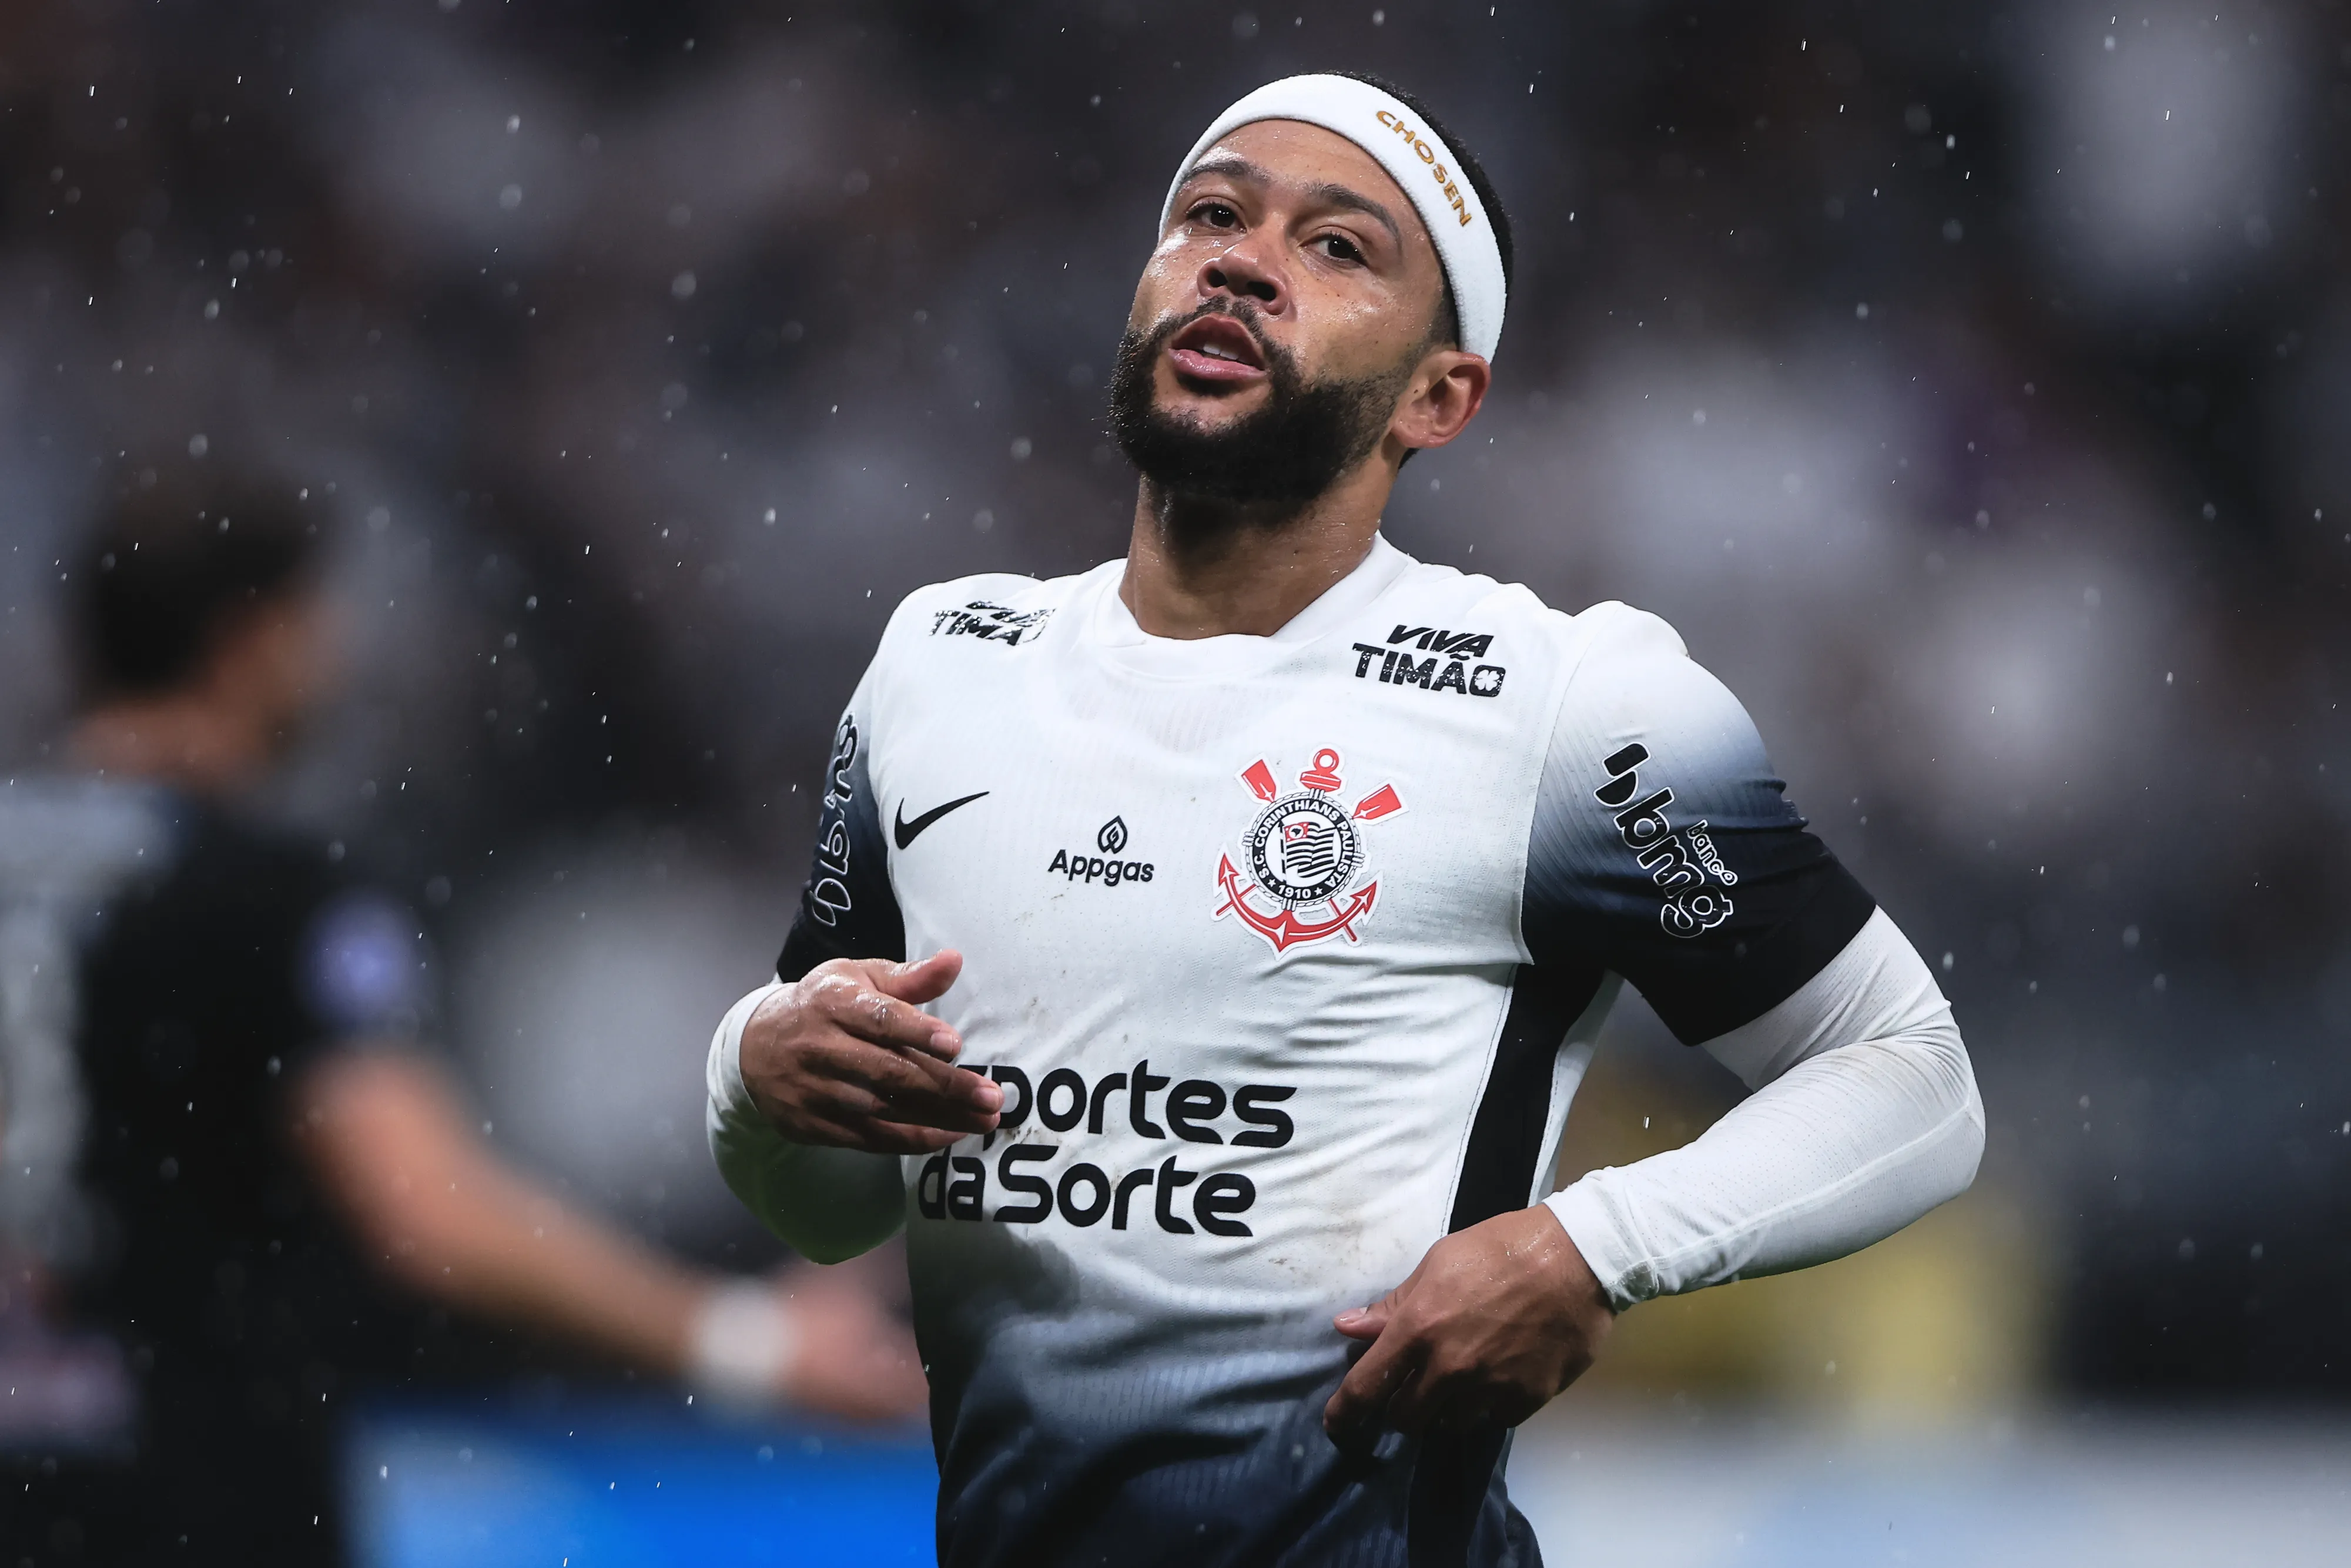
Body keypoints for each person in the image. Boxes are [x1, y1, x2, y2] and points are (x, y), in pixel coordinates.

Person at [706, 71, 1984, 1567]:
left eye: (1338, 248)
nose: (1243, 257)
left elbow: (1911, 1079)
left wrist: (1590, 1248)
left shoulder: (1566, 705)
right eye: (1211, 213)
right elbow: (831, 1204)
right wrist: (752, 1069)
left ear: (1439, 397)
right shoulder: (940, 661)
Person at [8, 472, 923, 1565]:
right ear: (251, 639)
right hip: (180, 1492)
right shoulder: (262, 895)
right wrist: (744, 1344)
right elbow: (424, 1212)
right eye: (314, 624)